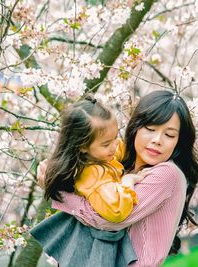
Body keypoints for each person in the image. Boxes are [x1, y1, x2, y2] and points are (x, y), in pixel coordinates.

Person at [52, 90, 198, 267]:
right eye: (151, 129)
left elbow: (111, 220)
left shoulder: (167, 174)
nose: (157, 140)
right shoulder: (117, 165)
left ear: (178, 141)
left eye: (169, 135)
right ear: (136, 126)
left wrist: (61, 196)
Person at [31, 96, 146, 266]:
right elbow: (117, 211)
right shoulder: (93, 175)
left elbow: (121, 149)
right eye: (107, 143)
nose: (115, 145)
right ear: (82, 146)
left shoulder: (102, 155)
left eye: (116, 137)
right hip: (96, 245)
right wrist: (128, 181)